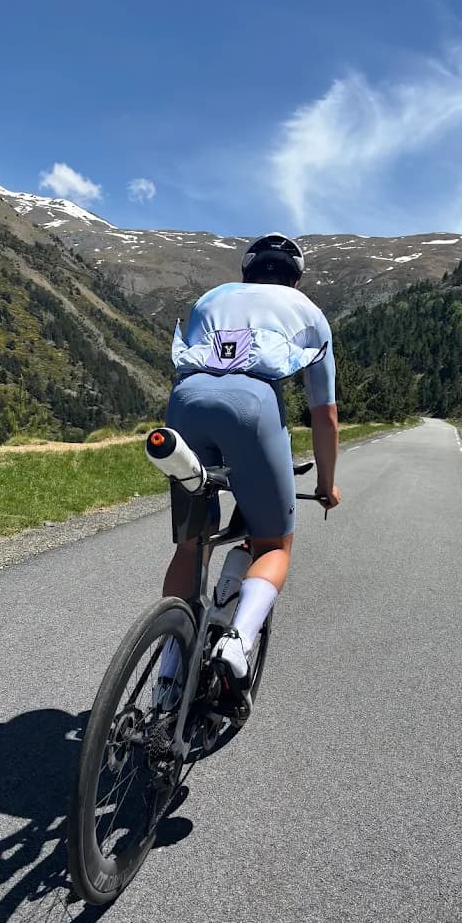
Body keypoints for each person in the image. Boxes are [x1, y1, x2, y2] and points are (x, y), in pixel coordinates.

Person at [154, 233, 341, 718]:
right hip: (253, 409)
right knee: (274, 546)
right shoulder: (309, 312)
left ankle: (168, 670)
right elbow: (325, 416)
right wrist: (325, 483)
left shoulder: (211, 299)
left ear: (246, 270)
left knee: (190, 546)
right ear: (296, 277)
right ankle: (236, 644)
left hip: (187, 403)